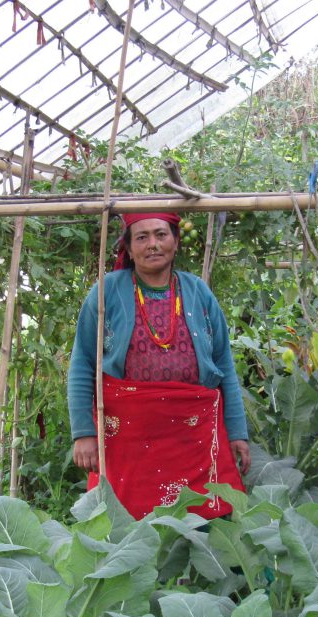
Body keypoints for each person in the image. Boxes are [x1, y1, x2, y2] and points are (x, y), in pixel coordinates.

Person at [67, 212, 250, 520]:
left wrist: (237, 432)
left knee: (204, 519)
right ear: (128, 246)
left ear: (176, 242)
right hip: (128, 439)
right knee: (125, 525)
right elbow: (83, 363)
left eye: (161, 235)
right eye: (141, 237)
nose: (152, 244)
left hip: (194, 437)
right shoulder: (106, 291)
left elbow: (224, 367)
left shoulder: (197, 293)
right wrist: (83, 432)